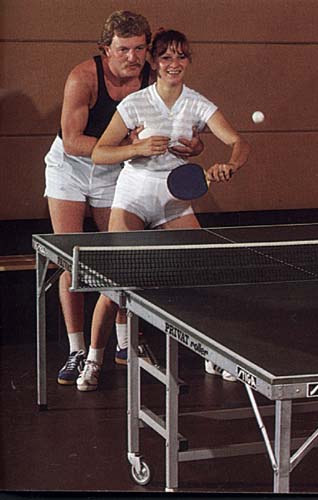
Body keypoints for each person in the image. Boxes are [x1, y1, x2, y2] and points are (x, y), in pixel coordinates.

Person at [76, 29, 251, 391]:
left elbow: (238, 141)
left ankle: (213, 355)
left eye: (181, 57)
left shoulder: (197, 103)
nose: (174, 64)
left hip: (174, 201)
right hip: (134, 195)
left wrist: (229, 165)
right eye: (167, 57)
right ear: (154, 62)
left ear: (188, 61)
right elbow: (99, 153)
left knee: (203, 273)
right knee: (115, 282)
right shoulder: (135, 104)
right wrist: (136, 149)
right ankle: (93, 359)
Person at [45, 11, 204, 386]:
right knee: (72, 257)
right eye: (123, 49)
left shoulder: (154, 75)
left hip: (117, 167)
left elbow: (185, 126)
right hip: (70, 167)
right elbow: (73, 141)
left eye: (139, 49)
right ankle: (77, 350)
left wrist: (195, 146)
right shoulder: (83, 77)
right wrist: (130, 147)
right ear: (106, 49)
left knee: (121, 260)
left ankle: (124, 342)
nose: (132, 57)